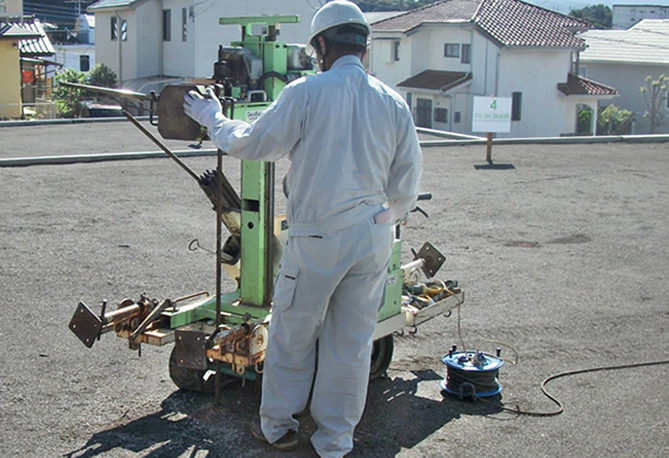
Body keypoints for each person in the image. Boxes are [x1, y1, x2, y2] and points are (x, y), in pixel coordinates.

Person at [183, 1, 422, 456]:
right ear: (365, 48)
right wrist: (380, 220)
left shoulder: (305, 92)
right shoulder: (392, 102)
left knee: (293, 336)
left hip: (318, 235)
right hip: (371, 237)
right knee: (349, 346)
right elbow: (407, 185)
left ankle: (278, 428)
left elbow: (254, 144)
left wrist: (213, 118)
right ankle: (334, 442)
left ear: (320, 45)